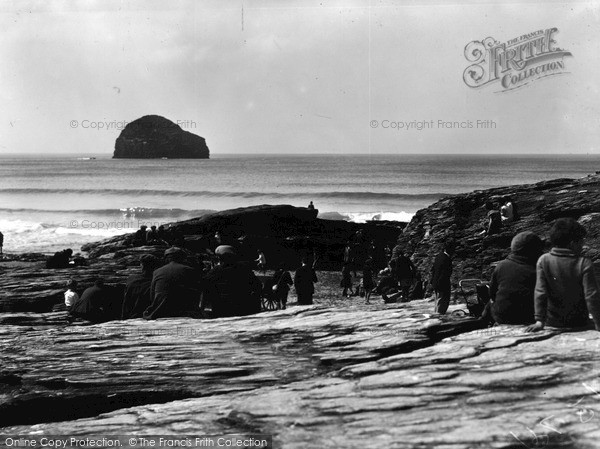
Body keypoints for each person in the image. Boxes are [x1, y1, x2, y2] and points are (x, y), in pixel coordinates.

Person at [526, 218, 600, 332]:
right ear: (572, 243)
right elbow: (591, 296)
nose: (583, 245)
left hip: (553, 322)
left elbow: (540, 292)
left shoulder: (543, 260)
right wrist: (598, 323)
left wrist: (539, 320)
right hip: (579, 321)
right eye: (581, 241)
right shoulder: (583, 263)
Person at [489, 231, 544, 325]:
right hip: (530, 318)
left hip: (503, 318)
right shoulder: (540, 268)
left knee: (489, 304)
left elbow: (492, 293)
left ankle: (483, 321)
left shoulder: (502, 265)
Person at [201, 245, 262, 317]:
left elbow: (205, 286)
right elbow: (258, 286)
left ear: (220, 258)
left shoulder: (216, 271)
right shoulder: (244, 269)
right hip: (244, 308)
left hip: (222, 309)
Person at [143, 247, 200, 320]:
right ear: (182, 258)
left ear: (166, 258)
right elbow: (195, 294)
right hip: (184, 311)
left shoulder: (157, 272)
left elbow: (152, 296)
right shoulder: (189, 270)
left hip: (161, 311)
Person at [122, 254, 161, 319]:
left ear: (141, 265)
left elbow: (126, 301)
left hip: (131, 315)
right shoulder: (156, 281)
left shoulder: (131, 279)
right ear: (155, 266)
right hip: (147, 316)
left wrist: (123, 317)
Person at [430, 241, 454, 314]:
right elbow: (445, 273)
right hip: (443, 284)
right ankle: (439, 318)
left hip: (436, 282)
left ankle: (436, 317)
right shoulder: (446, 259)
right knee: (442, 302)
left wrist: (433, 281)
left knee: (437, 301)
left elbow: (433, 270)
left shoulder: (439, 256)